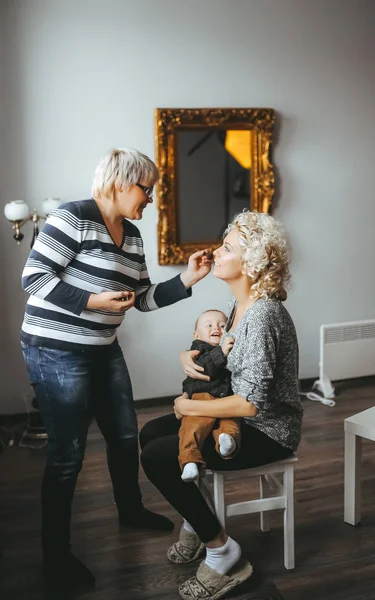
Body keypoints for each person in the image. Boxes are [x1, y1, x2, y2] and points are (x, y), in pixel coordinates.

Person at [19, 147, 211, 590]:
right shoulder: (72, 218)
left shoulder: (133, 235)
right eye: (147, 190)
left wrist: (186, 279)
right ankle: (56, 556)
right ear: (122, 183)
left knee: (125, 435)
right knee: (67, 456)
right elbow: (34, 279)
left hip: (103, 348)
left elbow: (141, 298)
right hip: (55, 350)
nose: (150, 199)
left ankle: (129, 510)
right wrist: (92, 301)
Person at [140, 210, 303, 600]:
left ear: (251, 262)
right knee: (150, 434)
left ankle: (222, 551)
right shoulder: (237, 308)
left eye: (226, 247)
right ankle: (200, 521)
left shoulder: (263, 315)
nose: (216, 251)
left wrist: (187, 408)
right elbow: (217, 357)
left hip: (268, 430)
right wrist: (186, 354)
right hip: (237, 414)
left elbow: (251, 406)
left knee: (160, 456)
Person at [179, 309, 239, 483]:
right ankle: (190, 461)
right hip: (202, 397)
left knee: (232, 422)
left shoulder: (230, 345)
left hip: (227, 398)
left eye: (222, 325)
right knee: (193, 427)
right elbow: (204, 369)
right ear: (196, 334)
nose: (217, 328)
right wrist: (221, 352)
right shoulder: (198, 349)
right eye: (209, 325)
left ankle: (227, 442)